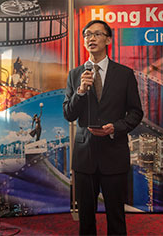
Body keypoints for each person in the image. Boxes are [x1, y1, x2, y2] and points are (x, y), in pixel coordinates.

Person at [63, 20, 143, 235]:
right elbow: (69, 114)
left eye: (97, 34)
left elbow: (136, 113)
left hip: (113, 153)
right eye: (87, 34)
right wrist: (80, 91)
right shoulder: (75, 74)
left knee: (115, 215)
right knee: (85, 217)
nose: (91, 38)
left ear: (108, 40)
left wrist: (115, 127)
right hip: (84, 156)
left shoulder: (124, 74)